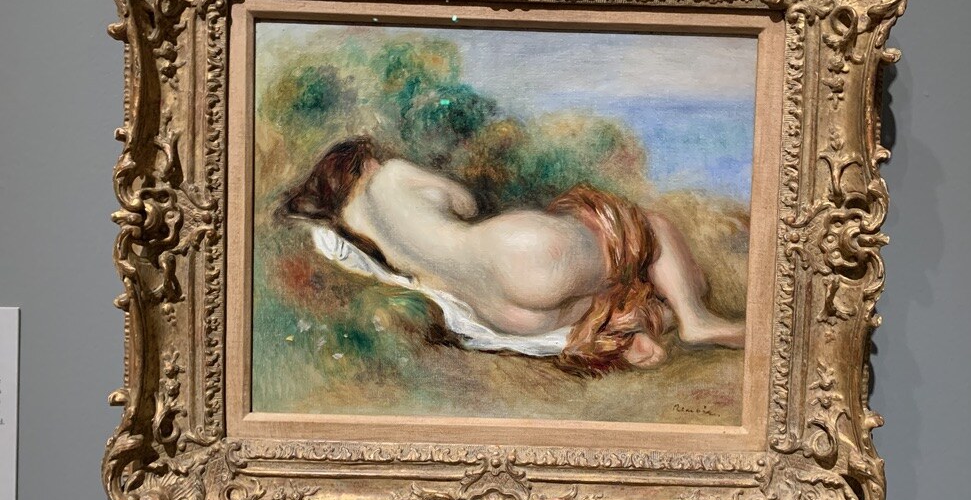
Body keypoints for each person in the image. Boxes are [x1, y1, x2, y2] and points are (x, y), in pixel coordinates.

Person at [278, 137, 745, 374]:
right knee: (648, 226)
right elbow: (464, 203)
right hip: (516, 253)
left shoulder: (357, 234)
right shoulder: (391, 173)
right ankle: (696, 319)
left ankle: (636, 328)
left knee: (614, 292)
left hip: (500, 314)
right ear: (363, 163)